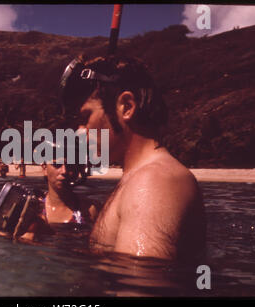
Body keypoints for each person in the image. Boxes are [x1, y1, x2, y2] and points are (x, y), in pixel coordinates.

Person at [58, 54, 206, 262]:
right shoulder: (138, 178)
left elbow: (140, 286)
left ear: (126, 106)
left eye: (85, 118)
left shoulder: (155, 182)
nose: (79, 133)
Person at [0, 154, 101, 239]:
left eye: (70, 165)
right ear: (44, 168)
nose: (64, 171)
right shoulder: (30, 209)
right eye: (57, 164)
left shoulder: (90, 210)